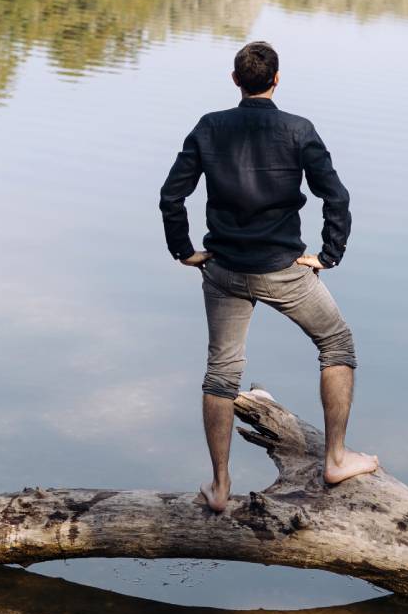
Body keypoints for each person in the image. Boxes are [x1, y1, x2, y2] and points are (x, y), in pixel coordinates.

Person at [159, 41, 378, 512]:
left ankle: (219, 487)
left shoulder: (209, 127)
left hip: (223, 270)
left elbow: (170, 196)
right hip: (284, 271)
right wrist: (329, 254)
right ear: (276, 79)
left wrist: (184, 251)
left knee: (221, 373)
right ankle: (336, 459)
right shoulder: (298, 130)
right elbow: (336, 197)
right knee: (337, 345)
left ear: (235, 80)